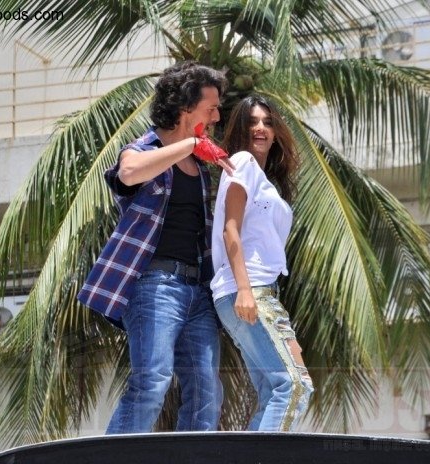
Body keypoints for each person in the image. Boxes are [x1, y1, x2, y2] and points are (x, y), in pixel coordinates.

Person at [77, 61, 233, 433]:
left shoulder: (201, 166)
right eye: (211, 108)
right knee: (152, 382)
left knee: (207, 391)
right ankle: (111, 458)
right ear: (186, 107)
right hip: (156, 286)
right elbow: (128, 173)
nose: (216, 116)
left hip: (198, 291)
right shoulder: (144, 148)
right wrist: (190, 144)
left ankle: (192, 458)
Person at [211, 95, 314, 431]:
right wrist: (244, 290)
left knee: (273, 392)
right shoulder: (242, 162)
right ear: (240, 128)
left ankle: (252, 453)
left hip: (255, 290)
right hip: (248, 289)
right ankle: (267, 455)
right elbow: (230, 230)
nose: (261, 128)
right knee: (294, 386)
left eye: (268, 123)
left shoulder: (260, 176)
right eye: (253, 121)